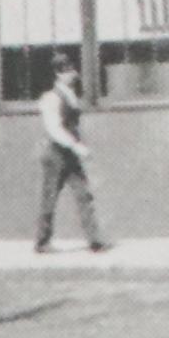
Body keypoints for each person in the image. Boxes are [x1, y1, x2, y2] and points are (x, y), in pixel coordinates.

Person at [32, 59, 111, 254]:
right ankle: (42, 242)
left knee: (84, 194)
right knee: (50, 197)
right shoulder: (51, 98)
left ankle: (95, 240)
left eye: (72, 70)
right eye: (68, 71)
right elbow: (54, 129)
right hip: (55, 153)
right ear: (58, 74)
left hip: (69, 154)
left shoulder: (70, 95)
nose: (73, 74)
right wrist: (76, 146)